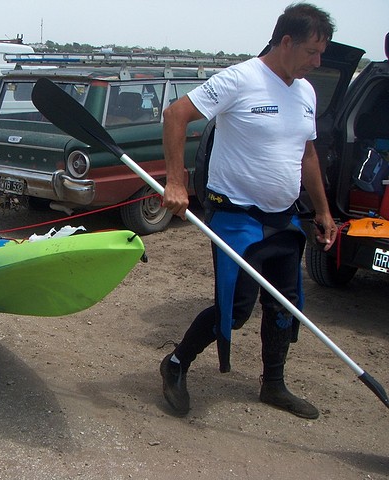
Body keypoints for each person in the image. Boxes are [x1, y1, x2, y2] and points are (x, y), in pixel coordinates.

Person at [160, 2, 339, 419]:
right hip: (236, 217)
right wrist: (175, 180)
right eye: (312, 51)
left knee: (285, 305)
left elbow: (307, 154)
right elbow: (175, 115)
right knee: (236, 309)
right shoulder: (241, 78)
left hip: (284, 218)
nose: (317, 61)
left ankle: (273, 385)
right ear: (287, 41)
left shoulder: (307, 92)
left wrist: (324, 211)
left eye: (321, 54)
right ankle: (175, 364)